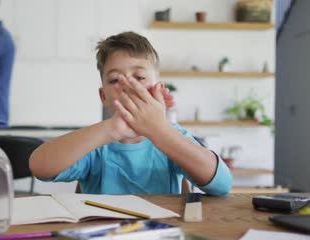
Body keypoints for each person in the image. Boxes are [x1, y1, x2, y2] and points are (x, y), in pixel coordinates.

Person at [29, 32, 232, 195]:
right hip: (104, 238)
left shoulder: (170, 136)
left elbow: (222, 184)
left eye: (139, 77)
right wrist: (113, 129)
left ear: (158, 90)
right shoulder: (96, 143)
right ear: (104, 97)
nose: (128, 87)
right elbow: (39, 167)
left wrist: (159, 130)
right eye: (115, 80)